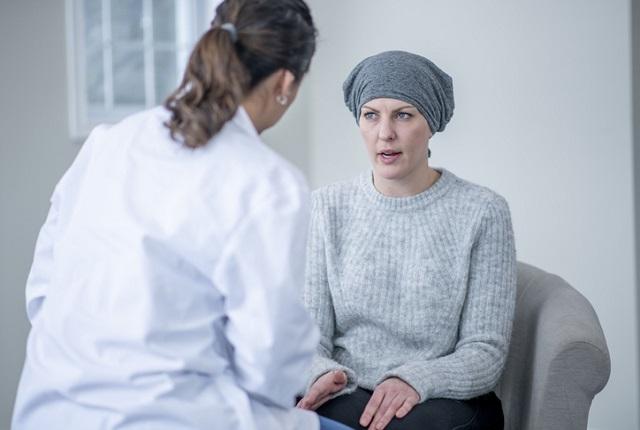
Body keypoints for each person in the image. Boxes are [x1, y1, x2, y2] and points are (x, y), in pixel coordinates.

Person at [11, 1, 350, 429]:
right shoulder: (268, 183)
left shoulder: (108, 142)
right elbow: (270, 372)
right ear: (285, 82)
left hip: (49, 409)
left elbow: (41, 293)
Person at [297, 50, 517, 430]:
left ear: (430, 123)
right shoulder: (325, 207)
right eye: (371, 115)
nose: (385, 133)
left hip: (439, 397)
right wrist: (320, 373)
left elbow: (485, 352)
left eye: (403, 114)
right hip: (347, 388)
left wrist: (415, 380)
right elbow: (307, 336)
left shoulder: (482, 211)